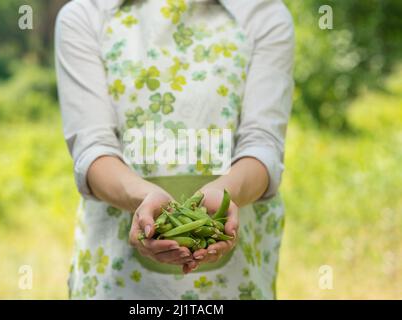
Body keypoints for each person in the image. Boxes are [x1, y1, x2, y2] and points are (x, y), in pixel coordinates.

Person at [55, 0, 294, 300]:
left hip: (232, 283)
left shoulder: (263, 14)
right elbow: (93, 148)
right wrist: (144, 199)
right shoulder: (87, 14)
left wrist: (225, 193)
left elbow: (263, 145)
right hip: (118, 280)